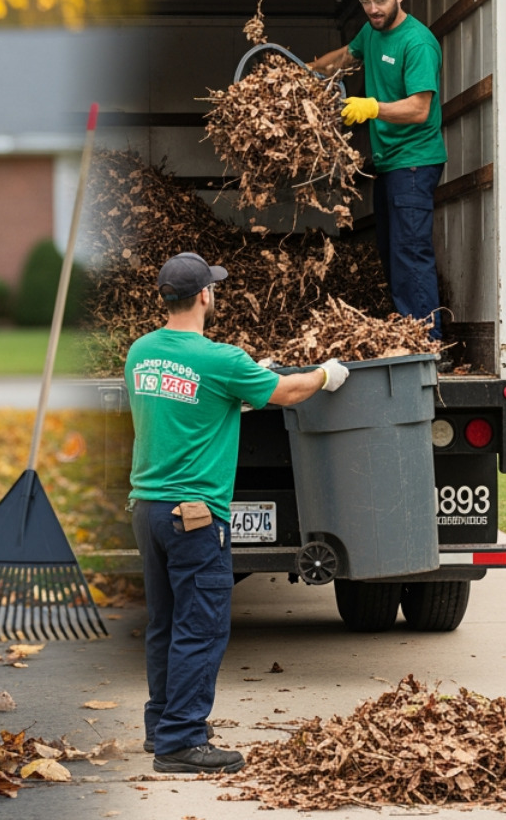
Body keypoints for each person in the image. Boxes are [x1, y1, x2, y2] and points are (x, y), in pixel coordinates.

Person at [126, 252, 349, 774]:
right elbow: (289, 392)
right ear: (205, 295)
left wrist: (238, 393)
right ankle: (181, 742)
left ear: (165, 297)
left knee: (164, 622)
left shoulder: (141, 352)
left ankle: (161, 726)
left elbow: (184, 400)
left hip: (150, 509)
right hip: (196, 517)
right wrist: (325, 373)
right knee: (201, 627)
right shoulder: (220, 359)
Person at [310, 0, 445, 339]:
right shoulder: (371, 32)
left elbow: (420, 109)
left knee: (410, 254)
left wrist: (372, 107)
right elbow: (345, 57)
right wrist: (306, 71)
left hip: (416, 162)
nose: (373, 10)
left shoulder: (417, 42)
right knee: (391, 251)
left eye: (381, 2)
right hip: (391, 163)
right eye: (366, 2)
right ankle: (409, 332)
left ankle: (428, 344)